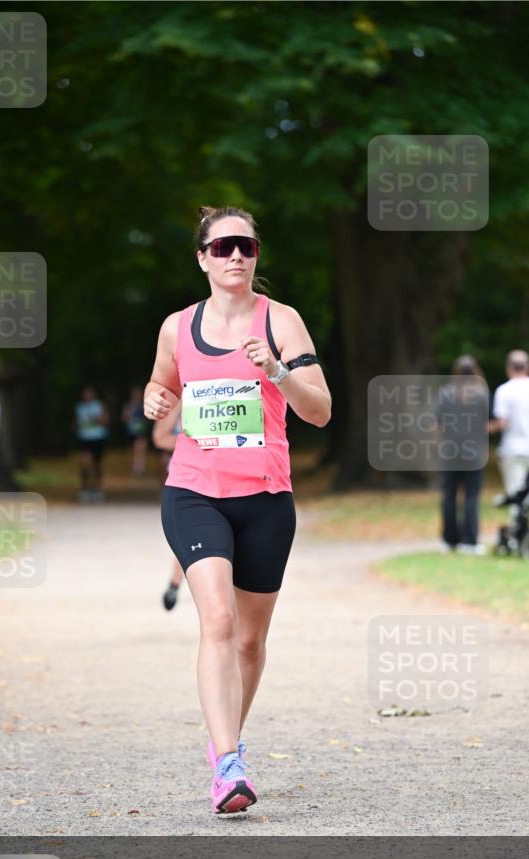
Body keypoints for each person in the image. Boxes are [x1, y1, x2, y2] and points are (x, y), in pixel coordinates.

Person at [144, 205, 332, 815]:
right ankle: (229, 765)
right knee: (219, 620)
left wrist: (276, 371)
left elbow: (320, 411)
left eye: (245, 247)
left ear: (256, 256)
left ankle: (226, 744)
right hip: (194, 491)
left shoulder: (282, 321)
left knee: (250, 641)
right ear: (202, 257)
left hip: (267, 498)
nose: (234, 256)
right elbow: (162, 389)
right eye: (222, 246)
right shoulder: (177, 327)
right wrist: (154, 399)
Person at [436, 355, 489, 555]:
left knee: (449, 496)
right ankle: (469, 541)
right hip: (474, 453)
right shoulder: (481, 394)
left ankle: (449, 540)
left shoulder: (445, 393)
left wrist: (441, 445)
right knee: (471, 496)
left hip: (450, 452)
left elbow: (437, 424)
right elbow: (486, 424)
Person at [488, 350, 529, 499]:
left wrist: (482, 428)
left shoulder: (504, 390)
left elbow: (502, 423)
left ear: (509, 367)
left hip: (512, 449)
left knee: (516, 495)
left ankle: (519, 514)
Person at [152, 401, 184, 609]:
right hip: (187, 479)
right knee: (189, 538)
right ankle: (175, 583)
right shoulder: (177, 400)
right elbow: (160, 437)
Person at [75, 384, 110, 502]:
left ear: (93, 394)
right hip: (84, 439)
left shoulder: (99, 405)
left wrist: (97, 420)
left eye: (89, 393)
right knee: (85, 464)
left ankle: (97, 489)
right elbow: (76, 423)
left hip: (98, 438)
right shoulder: (79, 407)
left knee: (97, 465)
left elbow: (106, 421)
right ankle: (85, 489)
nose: (87, 395)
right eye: (85, 393)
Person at [121, 386, 149, 477]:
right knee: (133, 451)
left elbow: (149, 418)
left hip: (141, 432)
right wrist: (128, 415)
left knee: (140, 450)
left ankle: (140, 469)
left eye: (138, 394)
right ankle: (135, 467)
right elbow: (124, 418)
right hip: (131, 432)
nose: (136, 396)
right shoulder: (128, 405)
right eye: (134, 394)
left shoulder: (144, 405)